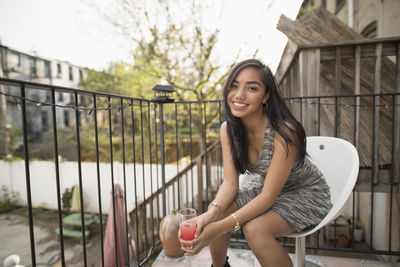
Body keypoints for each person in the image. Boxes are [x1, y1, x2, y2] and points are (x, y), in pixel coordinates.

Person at [179, 59, 332, 267]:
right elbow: (230, 183)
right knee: (216, 212)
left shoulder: (284, 133)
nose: (239, 95)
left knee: (255, 229)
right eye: (234, 86)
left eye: (251, 88)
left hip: (306, 192)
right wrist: (212, 214)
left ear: (266, 96)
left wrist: (219, 228)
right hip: (265, 187)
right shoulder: (229, 130)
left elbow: (268, 197)